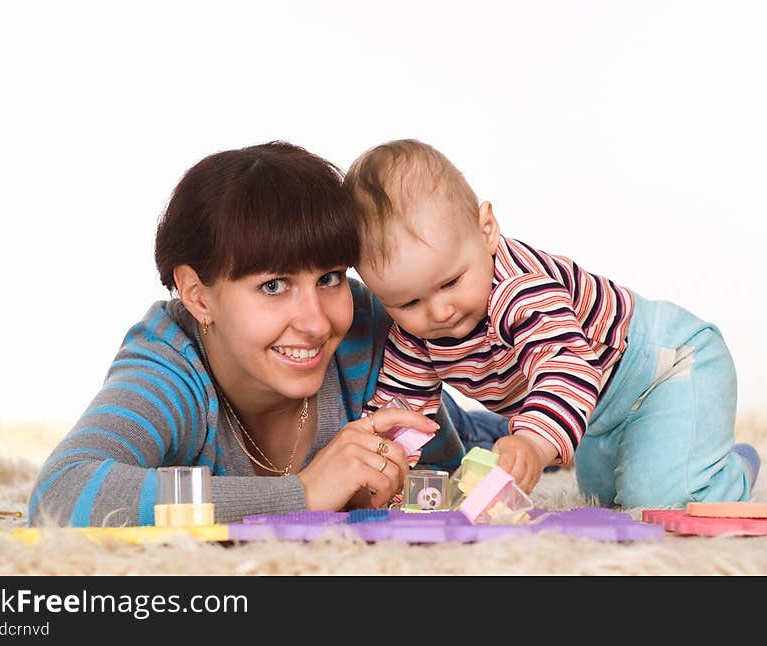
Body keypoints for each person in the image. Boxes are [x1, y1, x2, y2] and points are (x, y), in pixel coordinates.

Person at [28, 141, 471, 528]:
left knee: (497, 431)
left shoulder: (367, 326)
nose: (316, 323)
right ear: (198, 295)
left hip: (470, 415)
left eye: (330, 277)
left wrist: (378, 489)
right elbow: (64, 493)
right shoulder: (169, 364)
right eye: (273, 286)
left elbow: (451, 472)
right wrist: (303, 496)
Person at [344, 138, 760, 509]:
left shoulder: (518, 292)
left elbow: (566, 369)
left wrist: (530, 442)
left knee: (660, 497)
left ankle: (728, 468)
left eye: (451, 282)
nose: (439, 312)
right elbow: (400, 414)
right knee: (603, 497)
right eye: (408, 302)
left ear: (486, 230)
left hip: (664, 366)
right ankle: (663, 452)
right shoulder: (414, 335)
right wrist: (384, 472)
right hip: (595, 410)